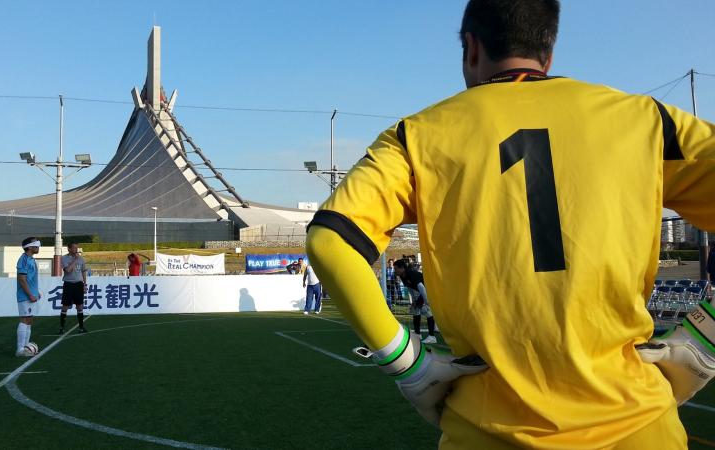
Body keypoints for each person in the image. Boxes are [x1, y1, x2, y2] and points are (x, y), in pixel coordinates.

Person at [306, 0, 715, 447]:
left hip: (487, 431)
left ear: (471, 47)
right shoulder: (646, 120)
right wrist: (705, 335)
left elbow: (331, 242)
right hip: (640, 428)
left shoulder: (417, 135)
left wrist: (409, 363)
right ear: (549, 51)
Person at [394, 259, 437, 344]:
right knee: (415, 310)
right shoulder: (402, 275)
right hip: (419, 292)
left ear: (402, 268)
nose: (395, 271)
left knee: (427, 311)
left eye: (396, 269)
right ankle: (417, 334)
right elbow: (409, 288)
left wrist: (426, 301)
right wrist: (414, 300)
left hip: (427, 290)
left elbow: (421, 287)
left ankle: (432, 336)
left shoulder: (411, 274)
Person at [15, 237, 41, 357]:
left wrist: (36, 292)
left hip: (31, 295)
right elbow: (22, 279)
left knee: (29, 320)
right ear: (29, 247)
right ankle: (20, 349)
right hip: (25, 296)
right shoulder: (24, 259)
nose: (38, 246)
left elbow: (30, 278)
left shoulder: (31, 259)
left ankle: (26, 347)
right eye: (36, 244)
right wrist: (30, 294)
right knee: (25, 319)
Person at [59, 242, 88, 334]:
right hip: (68, 284)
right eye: (74, 248)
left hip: (78, 284)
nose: (76, 250)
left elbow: (83, 271)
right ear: (69, 249)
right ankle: (61, 328)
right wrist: (75, 259)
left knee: (80, 306)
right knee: (65, 307)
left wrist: (85, 284)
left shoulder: (81, 259)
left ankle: (81, 327)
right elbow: (68, 270)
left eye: (77, 248)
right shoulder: (64, 258)